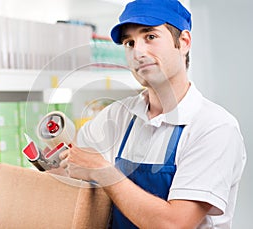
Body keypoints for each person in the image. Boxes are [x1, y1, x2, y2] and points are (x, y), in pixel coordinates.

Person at [58, 0, 247, 228]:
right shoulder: (116, 117)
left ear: (184, 42)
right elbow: (70, 173)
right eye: (129, 43)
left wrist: (103, 172)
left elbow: (174, 224)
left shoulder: (214, 127)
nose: (138, 52)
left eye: (150, 37)